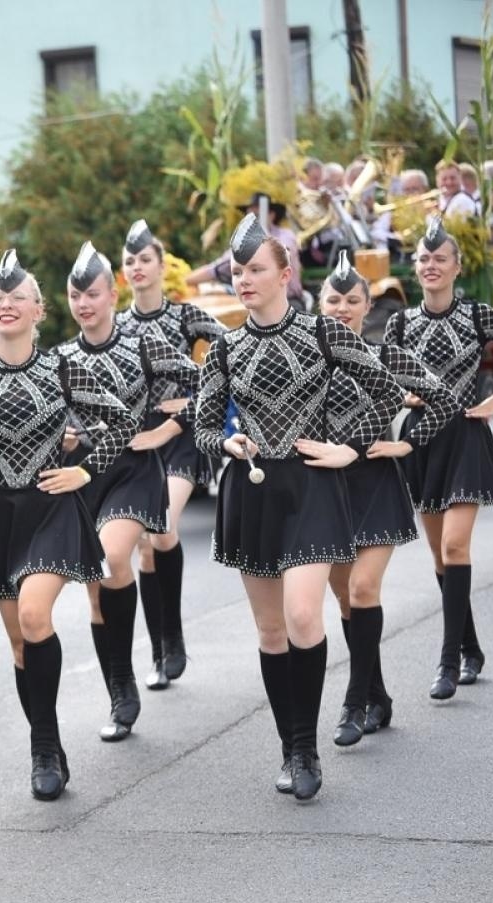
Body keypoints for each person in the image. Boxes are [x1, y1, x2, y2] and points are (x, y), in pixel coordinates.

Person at [193, 214, 403, 801]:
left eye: (257, 269)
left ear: (286, 274)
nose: (245, 280)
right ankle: (289, 747)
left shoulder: (323, 333)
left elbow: (385, 390)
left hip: (312, 486)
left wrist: (349, 447)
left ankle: (308, 750)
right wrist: (227, 443)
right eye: (238, 272)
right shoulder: (226, 350)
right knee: (270, 628)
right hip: (252, 493)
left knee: (305, 616)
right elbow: (204, 427)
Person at [0, 250, 135, 800]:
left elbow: (120, 421)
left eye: (17, 298)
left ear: (38, 310)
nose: (6, 305)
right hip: (1, 512)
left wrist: (84, 471)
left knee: (34, 613)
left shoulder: (63, 368)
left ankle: (44, 750)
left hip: (51, 505)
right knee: (21, 645)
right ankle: (45, 744)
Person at [57, 241, 198, 742]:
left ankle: (165, 642)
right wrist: (65, 435)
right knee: (97, 591)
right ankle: (120, 685)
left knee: (113, 560)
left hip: (136, 471)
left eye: (92, 293)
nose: (84, 303)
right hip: (83, 475)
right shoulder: (60, 357)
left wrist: (164, 430)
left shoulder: (143, 345)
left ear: (111, 294)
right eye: (76, 295)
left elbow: (210, 383)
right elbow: (53, 417)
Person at [318, 251, 458, 745]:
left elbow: (445, 399)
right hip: (326, 493)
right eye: (332, 299)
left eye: (350, 299)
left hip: (376, 484)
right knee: (345, 600)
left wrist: (407, 442)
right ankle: (377, 694)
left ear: (366, 306)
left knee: (362, 590)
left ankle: (353, 705)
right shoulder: (307, 361)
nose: (341, 307)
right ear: (320, 304)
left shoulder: (385, 356)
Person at [383, 215, 493, 699]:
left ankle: (448, 662)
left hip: (465, 437)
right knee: (440, 555)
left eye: (441, 259)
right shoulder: (399, 323)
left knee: (456, 547)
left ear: (457, 268)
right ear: (415, 269)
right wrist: (403, 396)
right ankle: (471, 647)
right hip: (421, 442)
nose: (432, 265)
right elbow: (382, 383)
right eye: (424, 259)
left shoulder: (478, 316)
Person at [117, 219, 225, 691]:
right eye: (130, 262)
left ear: (163, 267)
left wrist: (195, 397)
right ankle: (159, 647)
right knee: (143, 544)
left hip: (179, 436)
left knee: (162, 527)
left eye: (145, 260)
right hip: (138, 440)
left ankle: (175, 635)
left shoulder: (187, 316)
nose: (137, 268)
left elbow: (233, 353)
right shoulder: (117, 325)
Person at [184, 199, 304, 302]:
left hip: (289, 301)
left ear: (271, 215)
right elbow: (219, 267)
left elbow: (282, 253)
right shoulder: (243, 240)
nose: (252, 221)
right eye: (249, 216)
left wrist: (262, 237)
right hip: (258, 304)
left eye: (257, 215)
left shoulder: (286, 235)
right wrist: (182, 281)